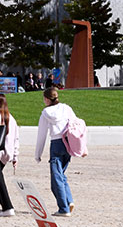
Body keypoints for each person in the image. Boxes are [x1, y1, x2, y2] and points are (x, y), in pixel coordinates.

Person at [35, 87, 77, 217]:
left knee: (56, 178)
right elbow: (75, 124)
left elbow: (41, 134)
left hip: (56, 143)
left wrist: (38, 154)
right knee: (61, 175)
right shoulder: (67, 108)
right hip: (68, 143)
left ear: (47, 99)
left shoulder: (46, 112)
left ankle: (63, 208)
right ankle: (68, 200)